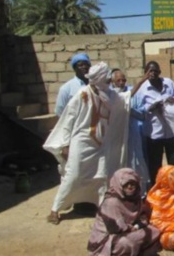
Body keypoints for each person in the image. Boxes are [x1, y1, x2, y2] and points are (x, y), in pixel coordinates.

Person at [44, 62, 147, 225]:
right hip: (82, 142)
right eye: (106, 80)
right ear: (98, 80)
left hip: (101, 143)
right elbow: (67, 119)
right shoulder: (82, 94)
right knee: (73, 174)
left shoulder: (109, 94)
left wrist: (141, 81)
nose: (108, 82)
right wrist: (65, 144)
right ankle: (55, 210)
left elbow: (124, 99)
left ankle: (102, 209)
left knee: (101, 176)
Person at [87, 168, 161, 256]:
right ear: (119, 185)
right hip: (108, 239)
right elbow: (115, 228)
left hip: (131, 231)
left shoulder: (136, 199)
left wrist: (137, 227)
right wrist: (132, 228)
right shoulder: (111, 202)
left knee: (155, 231)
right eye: (126, 184)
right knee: (126, 243)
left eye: (132, 184)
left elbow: (143, 217)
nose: (130, 187)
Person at [138, 61, 174, 186]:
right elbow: (139, 109)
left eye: (155, 71)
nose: (152, 74)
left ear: (160, 72)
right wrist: (151, 108)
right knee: (155, 167)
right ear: (145, 73)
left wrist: (173, 100)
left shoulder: (168, 83)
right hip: (153, 134)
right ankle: (157, 193)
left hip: (171, 133)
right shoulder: (142, 88)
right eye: (149, 71)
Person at [110, 68, 149, 193]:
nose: (121, 83)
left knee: (136, 162)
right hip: (117, 135)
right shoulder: (110, 94)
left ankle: (139, 193)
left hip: (133, 132)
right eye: (118, 80)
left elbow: (143, 114)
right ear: (112, 82)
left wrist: (129, 110)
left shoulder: (134, 94)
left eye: (123, 80)